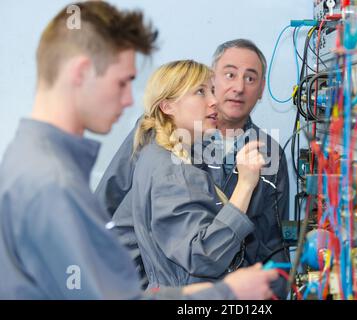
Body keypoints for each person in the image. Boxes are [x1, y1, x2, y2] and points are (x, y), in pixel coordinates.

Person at [0, 1, 277, 299]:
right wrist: (224, 294)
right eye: (123, 82)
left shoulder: (36, 162)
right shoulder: (52, 180)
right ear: (81, 73)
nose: (129, 101)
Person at [108, 59, 271, 289]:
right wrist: (245, 185)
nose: (214, 101)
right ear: (167, 106)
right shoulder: (172, 172)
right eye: (201, 92)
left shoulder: (163, 157)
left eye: (212, 91)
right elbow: (204, 257)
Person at [202, 39, 291, 298]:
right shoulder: (174, 137)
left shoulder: (270, 154)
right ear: (212, 80)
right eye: (230, 74)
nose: (239, 87)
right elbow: (118, 209)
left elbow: (274, 244)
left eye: (250, 79)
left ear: (262, 89)